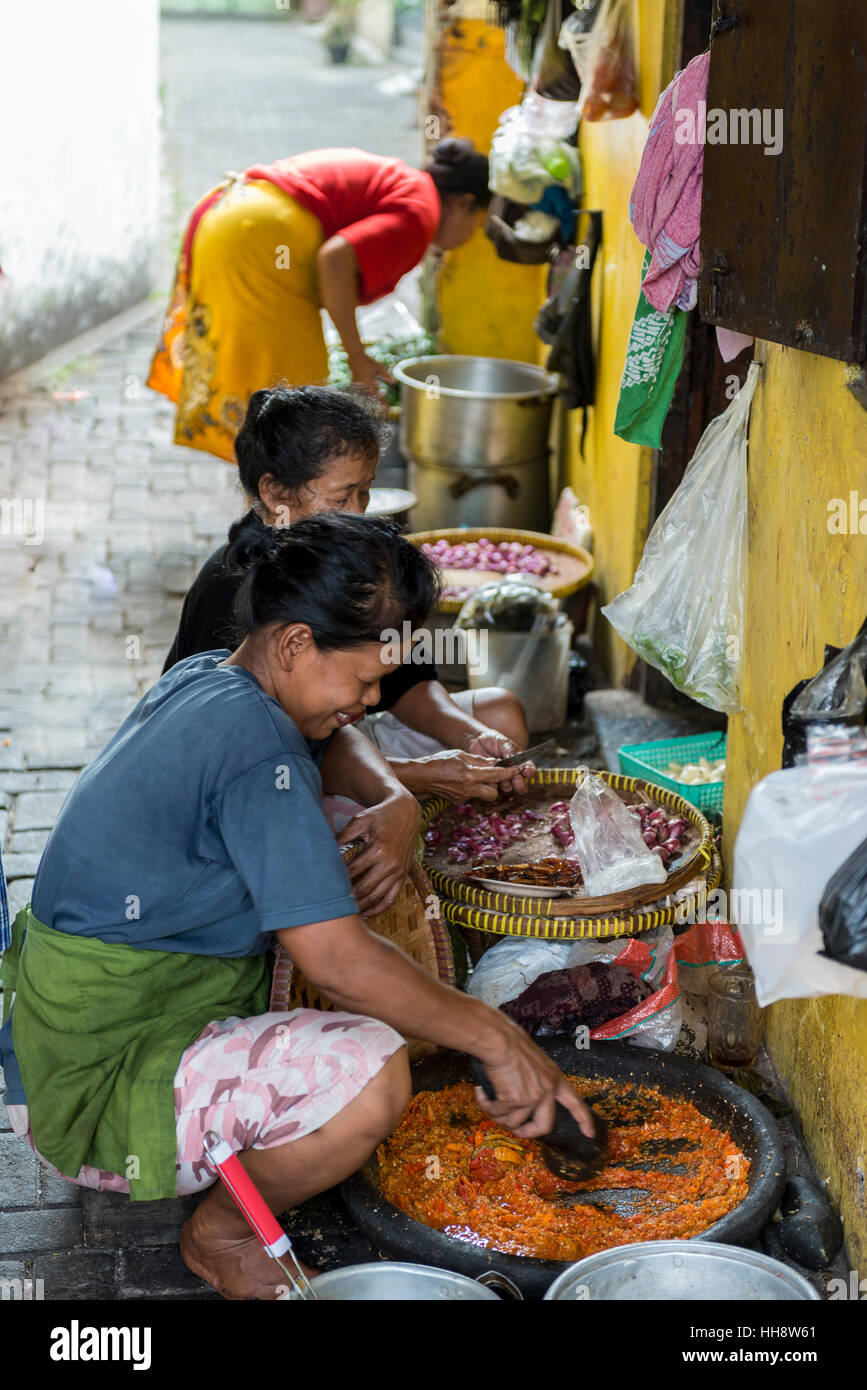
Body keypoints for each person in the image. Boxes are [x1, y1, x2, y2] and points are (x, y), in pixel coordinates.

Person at [0, 512, 594, 1301]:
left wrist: (389, 794)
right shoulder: (254, 746)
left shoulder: (220, 676)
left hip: (62, 1032)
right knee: (374, 1073)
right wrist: (497, 1038)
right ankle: (221, 1234)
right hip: (95, 1082)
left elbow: (332, 744)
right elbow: (338, 963)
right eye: (365, 680)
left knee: (339, 830)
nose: (373, 700)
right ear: (293, 644)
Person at [165, 385, 534, 806]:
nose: (359, 512)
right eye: (342, 497)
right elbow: (274, 759)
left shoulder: (359, 560)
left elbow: (407, 681)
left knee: (501, 715)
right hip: (265, 769)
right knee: (323, 813)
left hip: (342, 732)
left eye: (366, 492)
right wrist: (420, 777)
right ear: (275, 493)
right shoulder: (232, 586)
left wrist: (469, 737)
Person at [147, 140, 491, 462]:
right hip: (261, 240)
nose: (469, 238)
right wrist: (357, 357)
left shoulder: (410, 187)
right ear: (464, 203)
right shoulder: (421, 212)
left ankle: (273, 512)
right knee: (291, 405)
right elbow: (336, 260)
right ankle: (280, 516)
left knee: (268, 392)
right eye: (478, 225)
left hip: (231, 220)